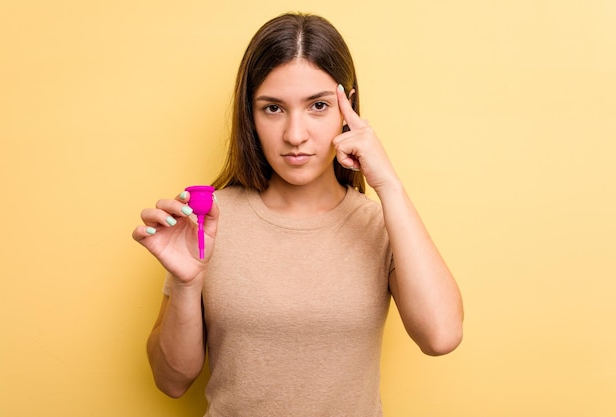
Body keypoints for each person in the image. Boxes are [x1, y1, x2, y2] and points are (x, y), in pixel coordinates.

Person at [132, 12, 463, 416]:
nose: (295, 134)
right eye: (273, 109)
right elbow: (171, 381)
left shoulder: (382, 225)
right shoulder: (209, 222)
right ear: (249, 115)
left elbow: (441, 336)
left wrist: (388, 184)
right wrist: (187, 284)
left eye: (318, 106)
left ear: (348, 109)